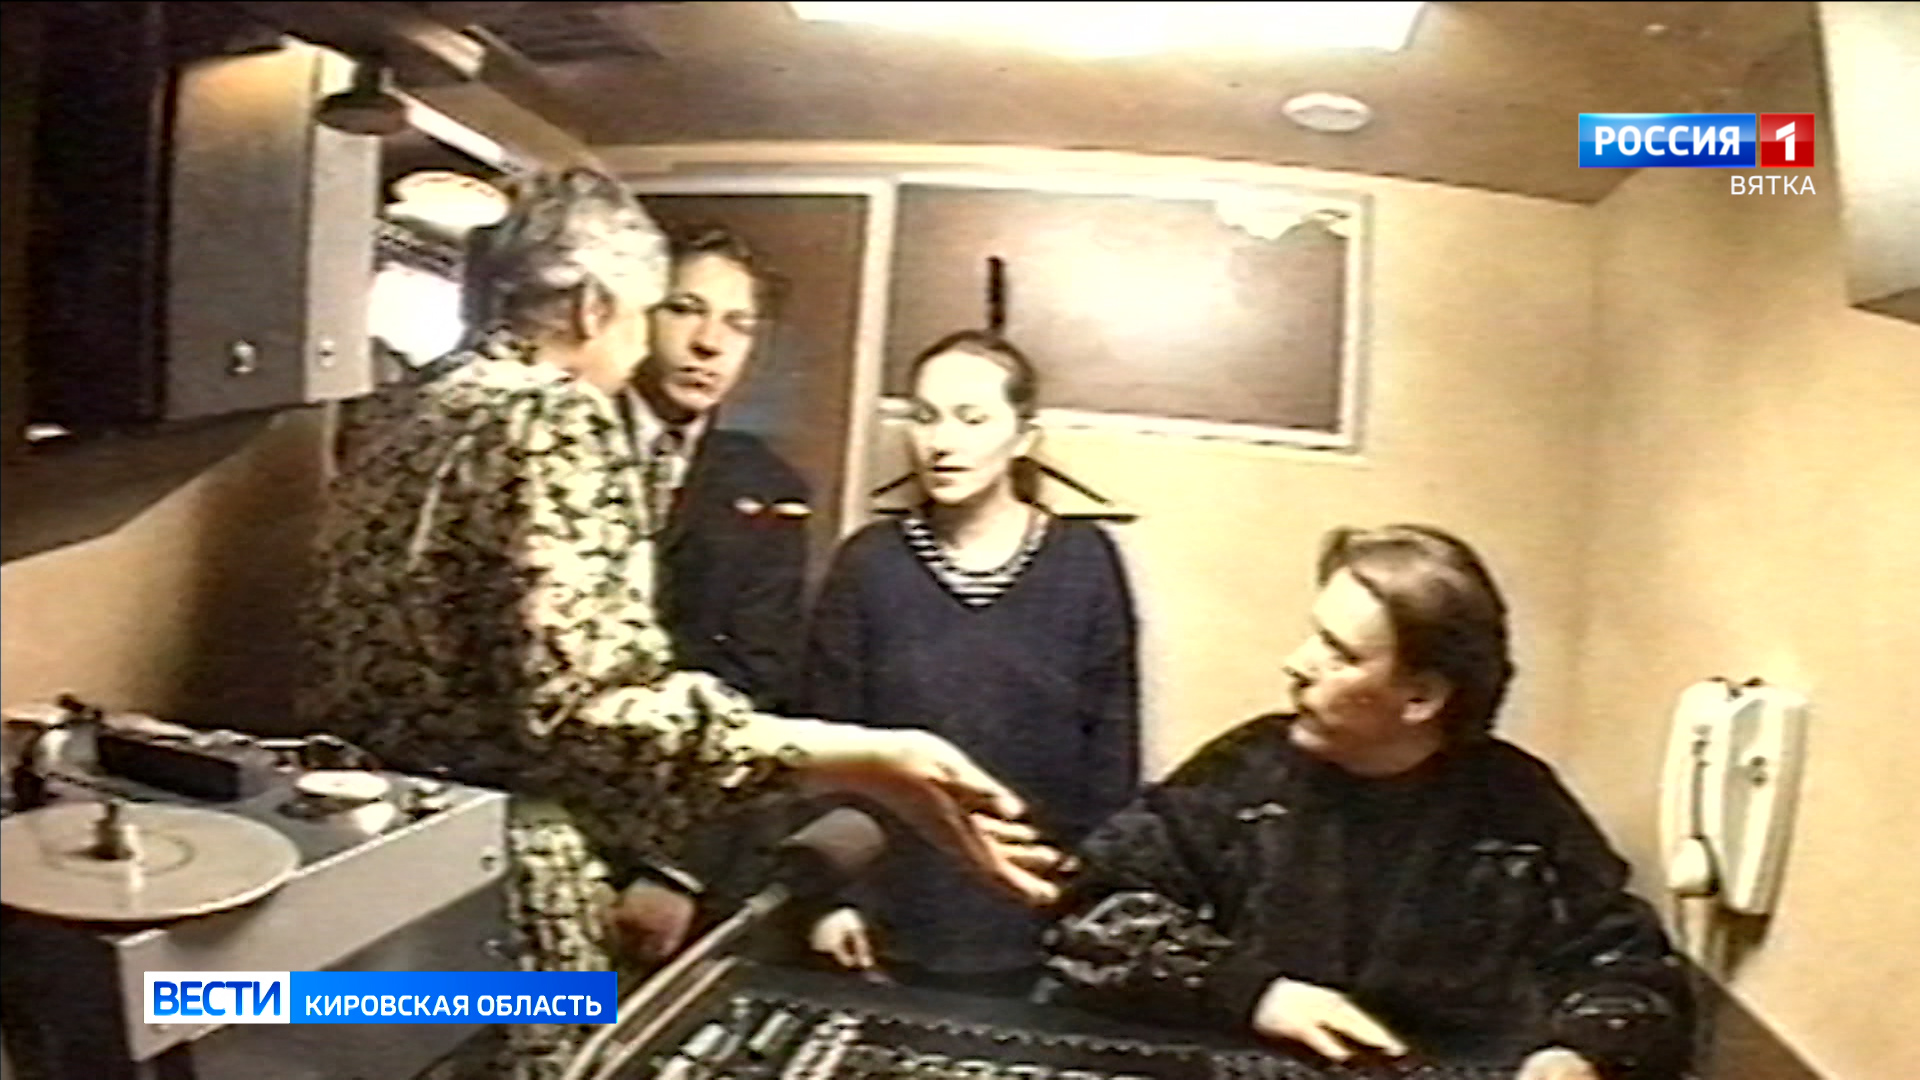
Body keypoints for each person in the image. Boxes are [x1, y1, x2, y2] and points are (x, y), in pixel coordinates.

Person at [299, 170, 1061, 1080]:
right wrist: (864, 757)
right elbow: (587, 713)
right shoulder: (552, 413)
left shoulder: (402, 406)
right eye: (652, 313)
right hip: (498, 881)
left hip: (374, 854)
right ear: (592, 306)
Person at [1041, 525, 1693, 1080]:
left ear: (1421, 698)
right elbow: (1092, 909)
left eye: (1340, 653)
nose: (1296, 663)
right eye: (1313, 635)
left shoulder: (1519, 809)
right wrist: (1254, 994)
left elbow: (1627, 967)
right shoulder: (1247, 771)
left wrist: (1579, 1054)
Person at [802, 330, 1142, 997]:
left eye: (972, 418)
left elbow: (1112, 753)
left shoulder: (1085, 561)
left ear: (1024, 437)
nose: (941, 442)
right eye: (925, 417)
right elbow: (828, 741)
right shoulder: (868, 564)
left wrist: (1088, 904)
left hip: (1039, 913)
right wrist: (833, 899)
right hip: (890, 914)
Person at [635, 224, 811, 714]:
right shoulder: (564, 442)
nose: (709, 343)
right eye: (684, 309)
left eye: (738, 325)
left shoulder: (769, 486)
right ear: (640, 314)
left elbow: (761, 672)